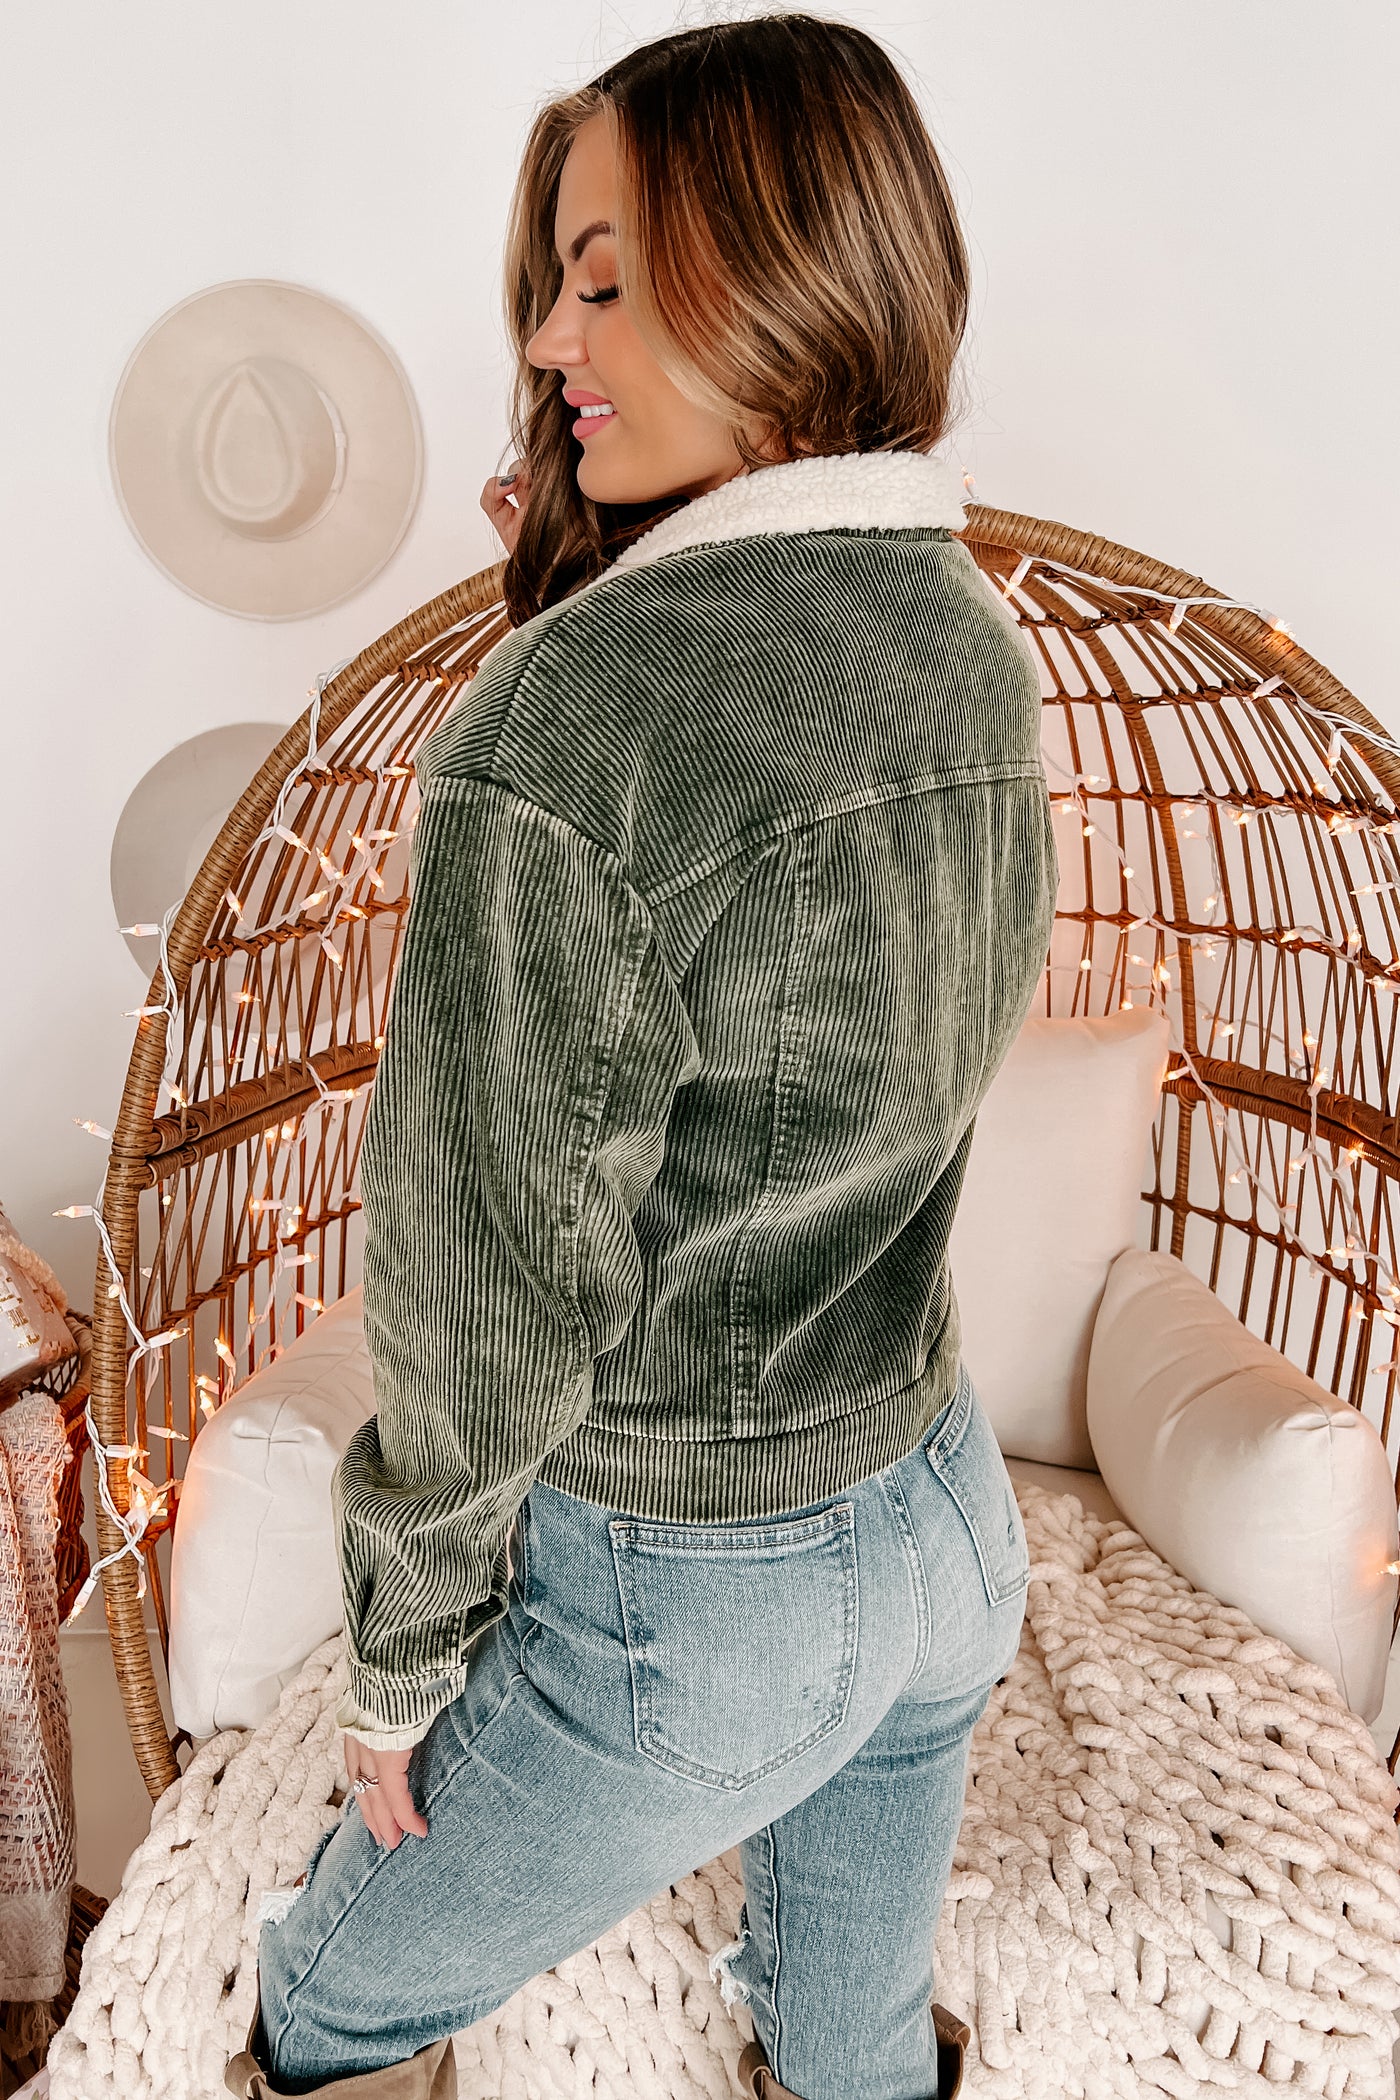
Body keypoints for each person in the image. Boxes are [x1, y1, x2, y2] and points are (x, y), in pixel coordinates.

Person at [226, 13, 1057, 2099]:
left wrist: (403, 1652)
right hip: (943, 1519)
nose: (546, 334)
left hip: (698, 1604)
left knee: (321, 2005)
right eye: (555, 283)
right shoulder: (966, 630)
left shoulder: (568, 725)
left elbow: (485, 1273)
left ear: (779, 275)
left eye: (600, 281)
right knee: (857, 2050)